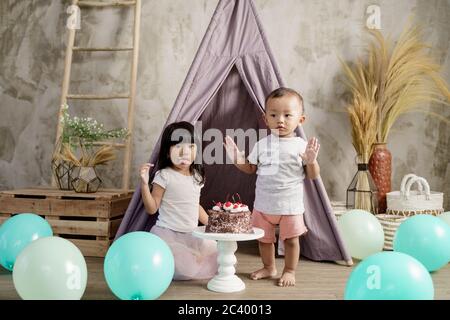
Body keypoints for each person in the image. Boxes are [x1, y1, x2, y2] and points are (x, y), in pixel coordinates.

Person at [224, 87, 320, 287]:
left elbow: (312, 176)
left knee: (292, 240)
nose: (280, 120)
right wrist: (236, 159)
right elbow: (250, 168)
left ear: (300, 120)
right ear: (266, 119)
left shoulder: (301, 145)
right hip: (264, 204)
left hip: (290, 206)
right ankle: (269, 267)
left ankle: (290, 270)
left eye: (287, 115)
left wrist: (311, 161)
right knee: (264, 240)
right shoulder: (261, 144)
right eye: (274, 115)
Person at [140, 121, 218, 280]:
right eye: (178, 147)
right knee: (187, 268)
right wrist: (143, 183)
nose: (185, 152)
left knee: (219, 256)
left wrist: (213, 225)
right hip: (169, 234)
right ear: (168, 152)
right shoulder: (164, 175)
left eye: (191, 146)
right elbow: (152, 208)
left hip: (192, 234)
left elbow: (194, 205)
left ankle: (194, 256)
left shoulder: (197, 176)